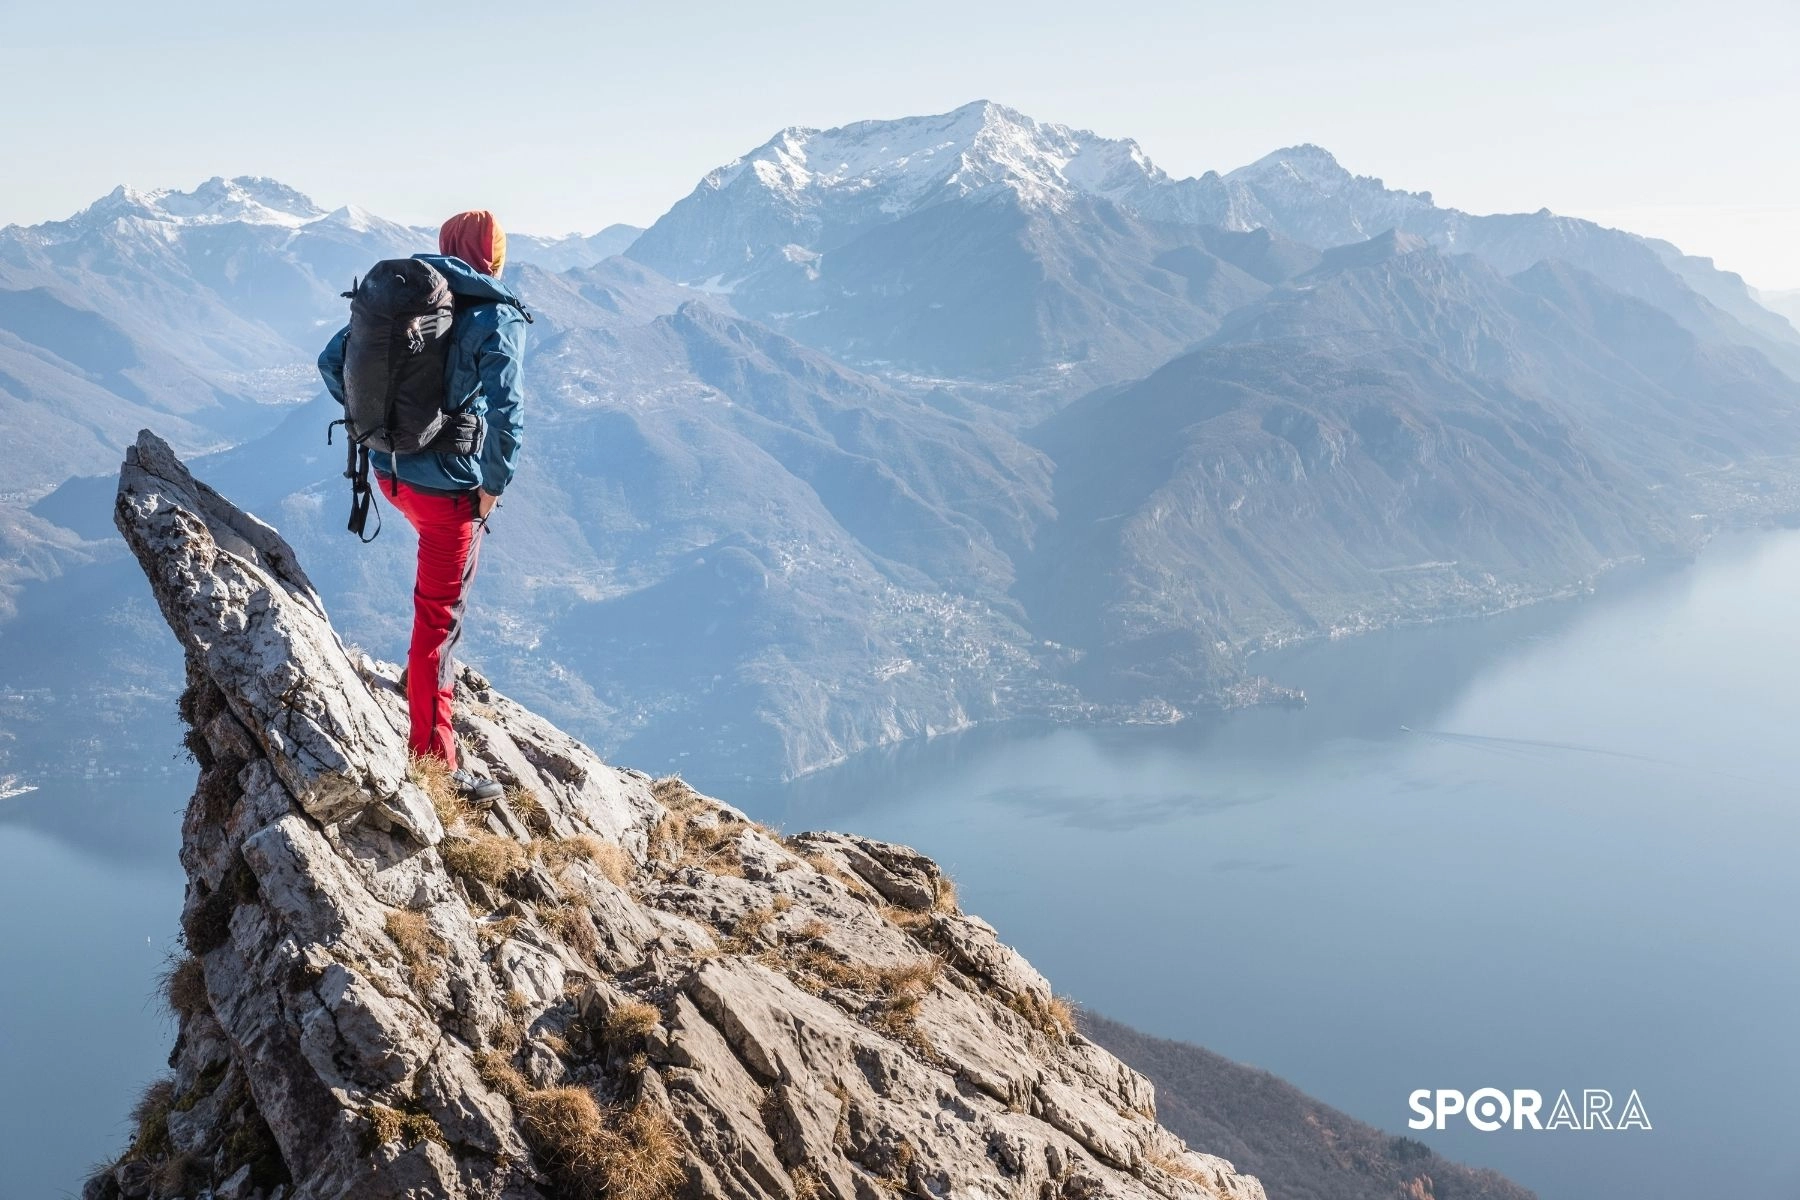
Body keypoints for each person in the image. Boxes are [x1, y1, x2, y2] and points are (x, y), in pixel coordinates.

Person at [317, 210, 527, 805]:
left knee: (434, 615)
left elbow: (331, 362)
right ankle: (435, 760)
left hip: (387, 477)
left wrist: (378, 430)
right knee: (437, 618)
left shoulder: (398, 298)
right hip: (449, 493)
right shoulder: (494, 316)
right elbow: (509, 413)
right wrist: (494, 484)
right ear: (495, 258)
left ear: (445, 246)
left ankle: (425, 685)